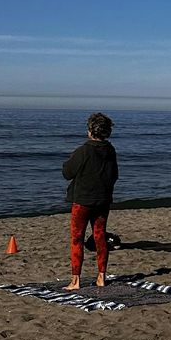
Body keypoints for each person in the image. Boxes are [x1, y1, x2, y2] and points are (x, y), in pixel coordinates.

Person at [62, 112, 119, 289]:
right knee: (100, 237)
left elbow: (67, 173)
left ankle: (75, 280)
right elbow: (114, 175)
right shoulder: (110, 150)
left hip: (83, 200)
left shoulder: (83, 150)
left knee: (77, 239)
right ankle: (101, 277)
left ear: (90, 131)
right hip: (102, 199)